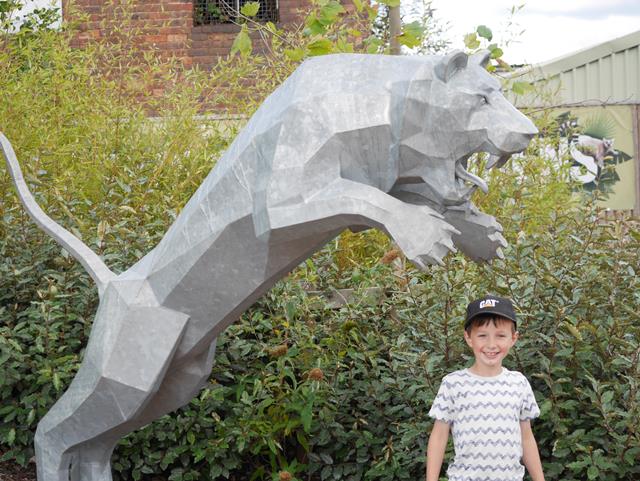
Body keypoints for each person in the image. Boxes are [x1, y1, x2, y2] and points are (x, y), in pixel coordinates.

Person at [425, 295, 545, 481]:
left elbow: (526, 437)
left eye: (500, 335)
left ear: (513, 338)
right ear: (469, 338)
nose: (491, 345)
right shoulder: (453, 384)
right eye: (482, 335)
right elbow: (439, 437)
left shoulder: (519, 383)